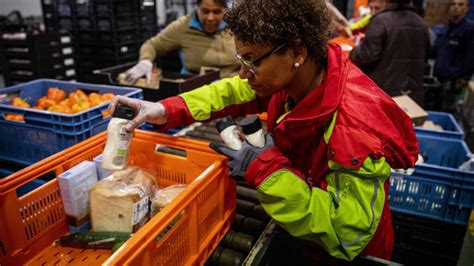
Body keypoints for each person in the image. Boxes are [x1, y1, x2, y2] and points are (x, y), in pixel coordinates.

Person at [110, 0, 418, 261]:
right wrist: (164, 109)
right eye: (240, 59)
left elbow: (347, 232)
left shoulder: (353, 130)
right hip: (304, 233)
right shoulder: (301, 76)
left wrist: (265, 169)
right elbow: (230, 91)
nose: (243, 73)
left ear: (297, 52)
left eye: (252, 61)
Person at [125, 0, 241, 83]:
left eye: (216, 12)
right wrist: (145, 61)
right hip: (198, 88)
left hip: (235, 85)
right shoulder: (183, 27)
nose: (210, 18)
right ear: (197, 8)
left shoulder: (235, 26)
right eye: (205, 11)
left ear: (224, 10)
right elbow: (152, 45)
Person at [349, 0, 430, 107]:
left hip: (385, 96)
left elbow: (366, 56)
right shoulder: (422, 23)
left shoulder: (380, 21)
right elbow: (426, 57)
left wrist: (354, 51)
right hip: (413, 96)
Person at [432, 0, 474, 112]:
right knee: (436, 107)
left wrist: (465, 77)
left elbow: (471, 55)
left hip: (454, 80)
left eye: (460, 4)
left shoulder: (469, 29)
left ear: (466, 8)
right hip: (440, 77)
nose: (456, 7)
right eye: (453, 4)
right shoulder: (445, 28)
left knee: (448, 109)